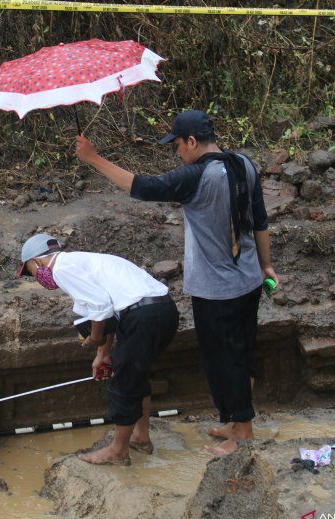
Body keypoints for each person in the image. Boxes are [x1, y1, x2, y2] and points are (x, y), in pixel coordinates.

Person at [75, 109, 279, 456]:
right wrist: (267, 265)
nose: (177, 152)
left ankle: (242, 432)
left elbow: (142, 186)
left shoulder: (197, 175)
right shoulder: (243, 164)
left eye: (178, 145)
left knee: (224, 358)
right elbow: (259, 220)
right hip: (248, 281)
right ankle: (234, 420)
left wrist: (93, 159)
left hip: (217, 290)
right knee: (244, 351)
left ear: (192, 141)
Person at [17, 233, 179, 466]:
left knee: (123, 384)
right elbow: (107, 314)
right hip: (162, 311)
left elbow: (100, 308)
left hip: (141, 317)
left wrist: (93, 339)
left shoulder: (62, 269)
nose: (35, 278)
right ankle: (141, 438)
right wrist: (102, 354)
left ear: (38, 262)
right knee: (135, 375)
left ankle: (118, 451)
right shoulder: (82, 262)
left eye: (30, 272)